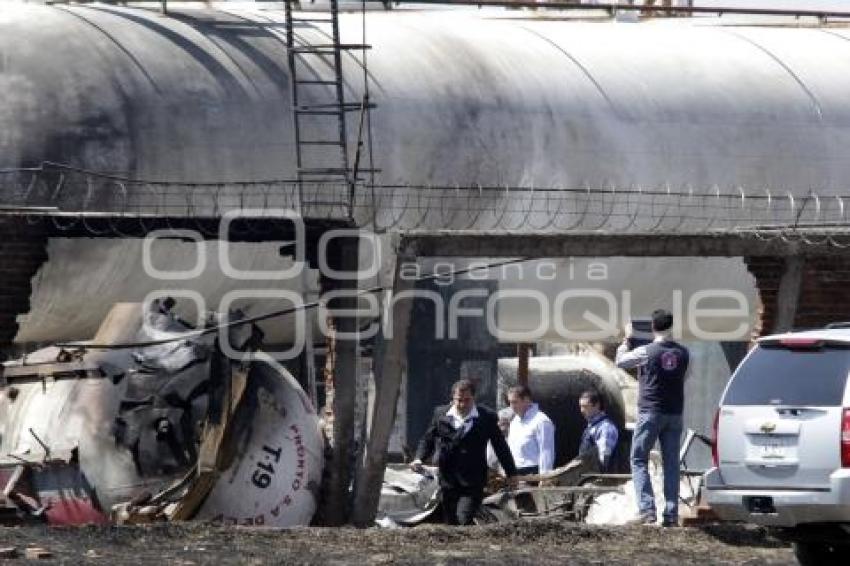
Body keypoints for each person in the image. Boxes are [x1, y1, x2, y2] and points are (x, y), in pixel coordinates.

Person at [616, 309, 690, 527]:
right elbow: (685, 377)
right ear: (671, 326)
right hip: (675, 412)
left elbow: (621, 362)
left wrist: (626, 339)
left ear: (653, 328)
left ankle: (647, 510)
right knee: (671, 464)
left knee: (638, 459)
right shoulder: (685, 353)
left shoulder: (646, 351)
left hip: (650, 411)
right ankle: (671, 515)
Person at [411, 379, 518, 525]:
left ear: (474, 398)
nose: (462, 404)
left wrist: (511, 473)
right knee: (450, 521)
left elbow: (500, 446)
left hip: (473, 479)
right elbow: (428, 439)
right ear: (453, 399)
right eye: (458, 400)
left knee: (463, 519)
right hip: (448, 478)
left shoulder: (486, 417)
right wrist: (418, 458)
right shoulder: (441, 413)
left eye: (467, 400)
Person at [506, 385, 555, 476]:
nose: (511, 406)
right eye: (510, 402)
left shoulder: (541, 421)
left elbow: (546, 452)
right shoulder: (514, 421)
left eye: (515, 402)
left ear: (526, 400)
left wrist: (544, 478)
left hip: (533, 473)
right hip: (514, 472)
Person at [577, 389, 619, 473]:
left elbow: (604, 458)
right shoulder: (592, 427)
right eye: (581, 406)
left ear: (597, 405)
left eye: (585, 406)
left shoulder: (605, 428)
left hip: (599, 479)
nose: (582, 410)